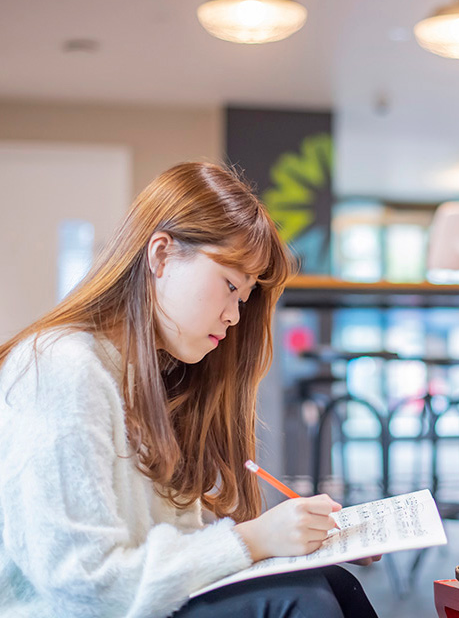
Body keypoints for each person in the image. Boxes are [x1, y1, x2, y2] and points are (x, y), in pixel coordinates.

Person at [0, 162, 379, 618]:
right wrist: (253, 540)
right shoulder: (63, 368)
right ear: (160, 256)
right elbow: (87, 586)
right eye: (229, 286)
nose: (235, 317)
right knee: (304, 600)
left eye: (243, 299)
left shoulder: (147, 377)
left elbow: (168, 552)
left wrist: (297, 541)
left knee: (331, 582)